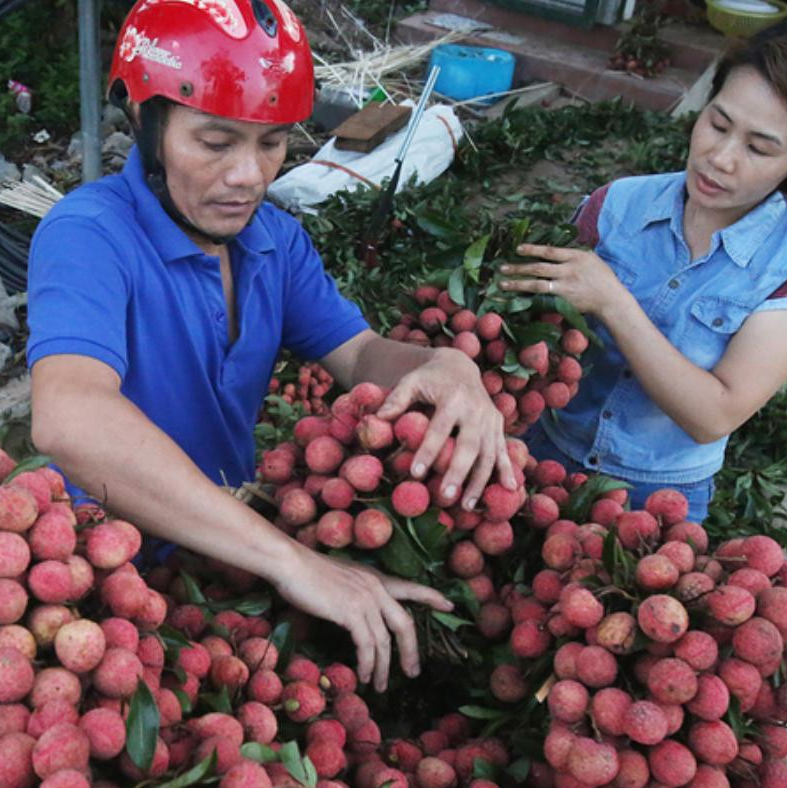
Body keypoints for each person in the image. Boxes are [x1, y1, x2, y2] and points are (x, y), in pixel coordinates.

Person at [26, 0, 514, 692]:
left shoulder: (275, 243)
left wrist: (447, 365)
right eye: (215, 142)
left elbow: (363, 356)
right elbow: (69, 416)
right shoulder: (88, 236)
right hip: (93, 583)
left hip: (225, 563)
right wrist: (292, 561)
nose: (249, 176)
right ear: (145, 123)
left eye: (272, 143)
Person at [500, 17, 787, 523]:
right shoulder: (617, 205)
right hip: (539, 447)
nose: (720, 158)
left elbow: (713, 415)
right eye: (717, 124)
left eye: (758, 148)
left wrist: (613, 302)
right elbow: (539, 325)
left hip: (654, 502)